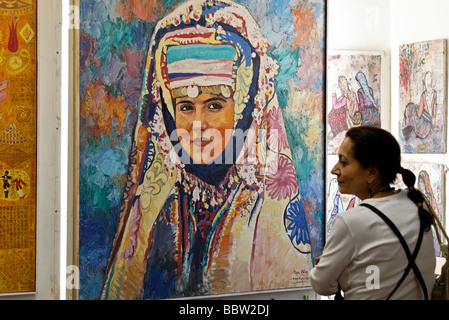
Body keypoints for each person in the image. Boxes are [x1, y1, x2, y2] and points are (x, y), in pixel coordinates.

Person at [101, 0, 312, 300]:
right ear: (169, 113)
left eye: (214, 105)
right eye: (185, 107)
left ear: (245, 109)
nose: (198, 125)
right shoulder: (157, 203)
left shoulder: (265, 208)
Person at [310, 126, 436, 299]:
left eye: (344, 162)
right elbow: (389, 266)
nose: (334, 170)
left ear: (371, 173)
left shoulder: (351, 222)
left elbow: (321, 284)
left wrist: (340, 270)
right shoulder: (417, 203)